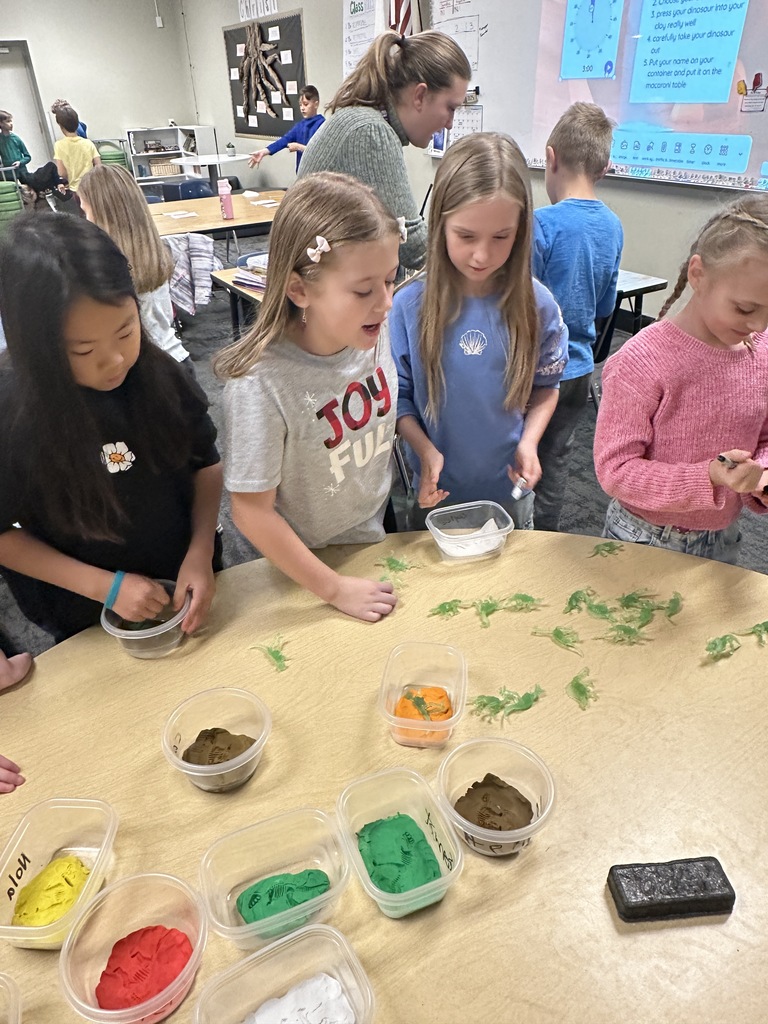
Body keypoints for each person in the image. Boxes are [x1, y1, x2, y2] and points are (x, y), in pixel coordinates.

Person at [0, 215, 223, 644]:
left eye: (125, 331)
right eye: (84, 349)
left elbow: (205, 463)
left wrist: (201, 550)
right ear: (36, 347)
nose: (116, 360)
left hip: (188, 587)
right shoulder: (13, 413)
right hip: (83, 614)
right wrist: (106, 587)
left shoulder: (162, 375)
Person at [215, 171, 401, 623]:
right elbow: (251, 511)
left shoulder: (371, 330)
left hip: (365, 542)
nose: (386, 302)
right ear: (300, 289)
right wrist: (333, 589)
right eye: (363, 290)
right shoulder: (260, 384)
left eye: (391, 280)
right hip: (294, 573)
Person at [389, 132, 569, 531]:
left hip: (508, 496)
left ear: (521, 230)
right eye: (466, 236)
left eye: (501, 237)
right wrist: (424, 449)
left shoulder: (537, 305)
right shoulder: (407, 306)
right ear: (440, 225)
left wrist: (529, 442)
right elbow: (398, 399)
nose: (482, 255)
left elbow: (546, 385)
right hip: (434, 499)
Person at [594, 194, 768, 564]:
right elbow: (616, 471)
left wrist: (762, 474)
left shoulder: (761, 348)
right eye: (745, 309)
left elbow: (764, 434)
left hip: (723, 536)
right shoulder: (641, 362)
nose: (758, 325)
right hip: (642, 538)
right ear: (698, 274)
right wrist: (708, 476)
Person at [297, 30, 470, 272]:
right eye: (450, 108)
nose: (450, 123)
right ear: (420, 95)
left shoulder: (363, 119)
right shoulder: (371, 131)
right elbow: (412, 247)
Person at [533, 102, 624, 532]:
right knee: (557, 457)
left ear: (550, 158)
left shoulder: (541, 224)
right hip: (581, 369)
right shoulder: (614, 226)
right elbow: (608, 306)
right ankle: (547, 538)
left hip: (536, 372)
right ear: (604, 168)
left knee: (521, 452)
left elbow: (520, 307)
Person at [79, 165, 190, 364]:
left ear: (100, 214)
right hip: (175, 358)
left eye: (85, 212)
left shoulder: (106, 264)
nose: (85, 220)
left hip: (149, 367)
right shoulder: (151, 251)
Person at [248, 85, 325, 173]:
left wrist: (299, 147)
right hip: (302, 173)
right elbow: (283, 141)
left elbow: (320, 152)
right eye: (300, 105)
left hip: (318, 175)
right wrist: (264, 152)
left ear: (316, 104)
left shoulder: (323, 125)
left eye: (306, 104)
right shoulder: (300, 126)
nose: (302, 108)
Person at [0, 109, 60, 193]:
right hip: (8, 174)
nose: (11, 124)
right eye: (8, 121)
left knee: (31, 190)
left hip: (22, 173)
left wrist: (20, 162)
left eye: (11, 121)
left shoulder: (16, 139)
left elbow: (27, 156)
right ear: (1, 124)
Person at [52, 104, 100, 192]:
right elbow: (99, 166)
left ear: (61, 127)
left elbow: (61, 172)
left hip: (76, 189)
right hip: (92, 188)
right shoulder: (88, 143)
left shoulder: (59, 145)